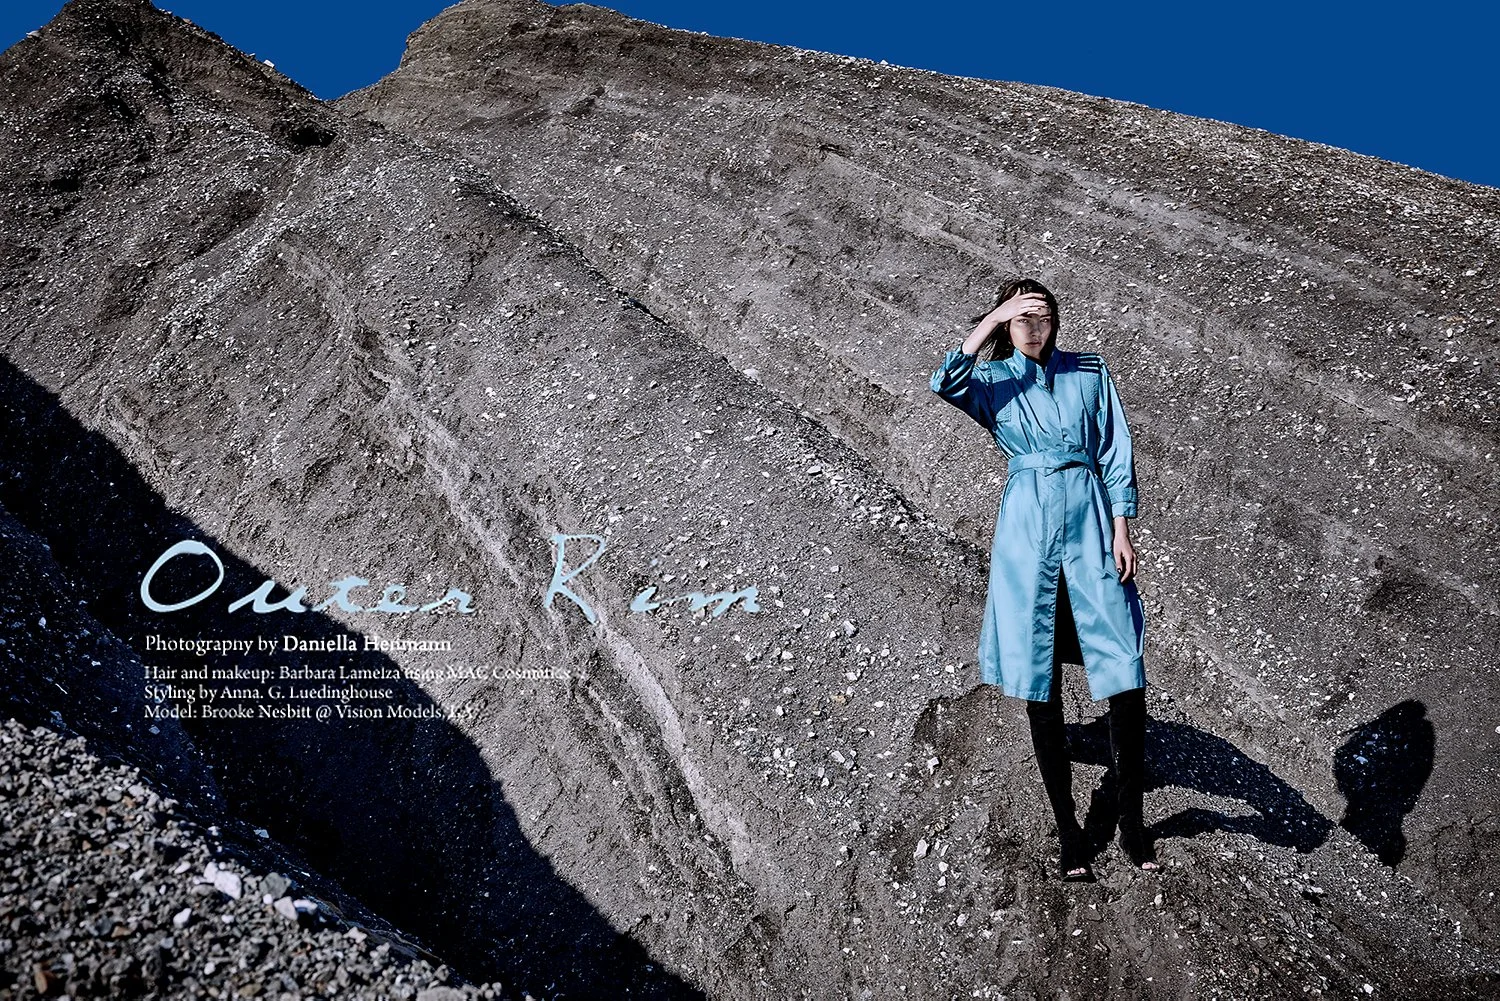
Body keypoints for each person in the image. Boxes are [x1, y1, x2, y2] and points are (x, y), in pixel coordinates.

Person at [929, 276, 1158, 881]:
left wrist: (1122, 528)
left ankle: (1131, 817)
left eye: (1044, 314)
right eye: (1023, 317)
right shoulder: (996, 383)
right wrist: (994, 316)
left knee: (1123, 666)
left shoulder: (1089, 371)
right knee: (1041, 681)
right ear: (1006, 325)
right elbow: (944, 379)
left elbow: (1113, 449)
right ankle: (1070, 835)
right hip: (1027, 534)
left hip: (1088, 523)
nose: (1036, 326)